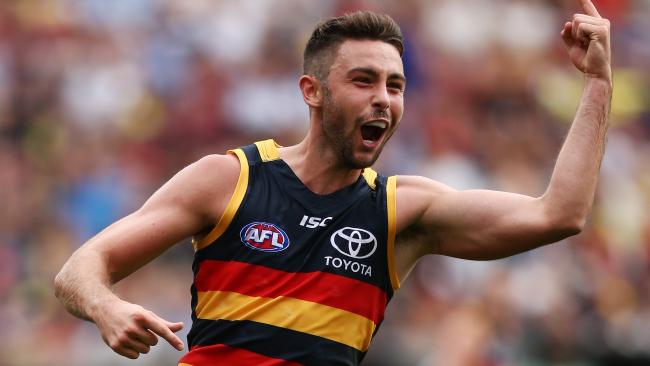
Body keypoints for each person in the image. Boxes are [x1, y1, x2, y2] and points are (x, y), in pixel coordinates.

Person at [55, 1, 612, 365]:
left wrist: (597, 83)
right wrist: (107, 307)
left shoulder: (401, 211)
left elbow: (557, 215)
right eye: (363, 80)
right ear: (312, 91)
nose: (383, 99)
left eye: (395, 85)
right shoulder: (229, 179)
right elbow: (79, 268)